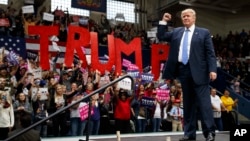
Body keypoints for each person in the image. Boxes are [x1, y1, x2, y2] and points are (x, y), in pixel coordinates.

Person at [157, 8, 217, 141]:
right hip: (183, 71)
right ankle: (189, 134)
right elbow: (161, 36)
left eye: (188, 16)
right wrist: (163, 21)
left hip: (200, 73)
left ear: (194, 18)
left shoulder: (204, 33)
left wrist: (212, 69)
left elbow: (210, 53)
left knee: (204, 104)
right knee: (188, 105)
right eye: (183, 16)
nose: (185, 18)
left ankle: (210, 133)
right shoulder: (177, 32)